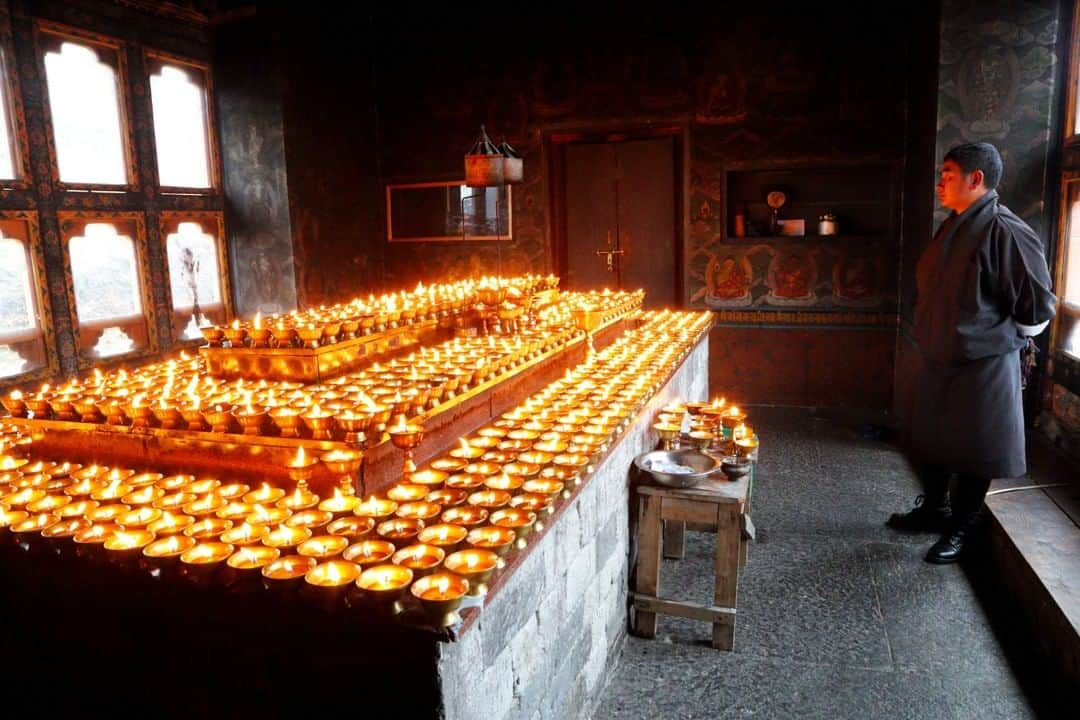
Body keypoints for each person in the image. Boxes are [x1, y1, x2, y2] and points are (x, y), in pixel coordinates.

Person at [887, 142, 1057, 564]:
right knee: (935, 437)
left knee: (975, 448)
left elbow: (1037, 305)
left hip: (984, 361)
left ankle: (961, 527)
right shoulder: (955, 223)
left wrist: (994, 335)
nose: (939, 182)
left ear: (975, 179)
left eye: (947, 174)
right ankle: (934, 509)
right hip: (941, 353)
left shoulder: (1005, 229)